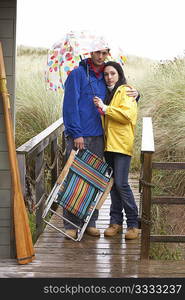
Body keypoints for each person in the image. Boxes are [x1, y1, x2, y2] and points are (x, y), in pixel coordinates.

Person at [62, 49, 139, 239]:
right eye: (98, 53)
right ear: (90, 53)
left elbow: (120, 93)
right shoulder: (77, 74)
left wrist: (137, 95)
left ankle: (90, 222)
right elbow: (69, 106)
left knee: (94, 180)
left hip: (100, 137)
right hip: (79, 136)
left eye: (104, 53)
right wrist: (76, 133)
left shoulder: (105, 75)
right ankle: (71, 224)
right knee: (75, 179)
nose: (101, 56)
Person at [93, 61, 139, 240]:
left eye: (112, 73)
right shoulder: (108, 93)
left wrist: (105, 108)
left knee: (121, 183)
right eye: (106, 74)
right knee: (113, 185)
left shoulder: (126, 90)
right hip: (109, 145)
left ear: (119, 74)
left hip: (121, 144)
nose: (109, 77)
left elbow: (127, 115)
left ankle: (134, 224)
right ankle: (115, 222)